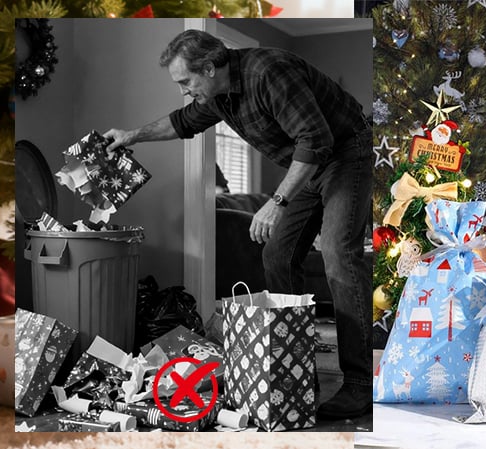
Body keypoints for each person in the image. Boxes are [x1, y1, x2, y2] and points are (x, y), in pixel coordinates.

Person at [104, 29, 372, 419]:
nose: (183, 91)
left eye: (185, 81)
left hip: (346, 154)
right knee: (278, 256)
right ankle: (296, 371)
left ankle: (360, 383)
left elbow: (315, 139)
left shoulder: (268, 72)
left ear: (209, 68)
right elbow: (182, 122)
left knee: (338, 255)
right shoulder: (218, 95)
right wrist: (132, 136)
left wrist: (276, 202)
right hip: (311, 165)